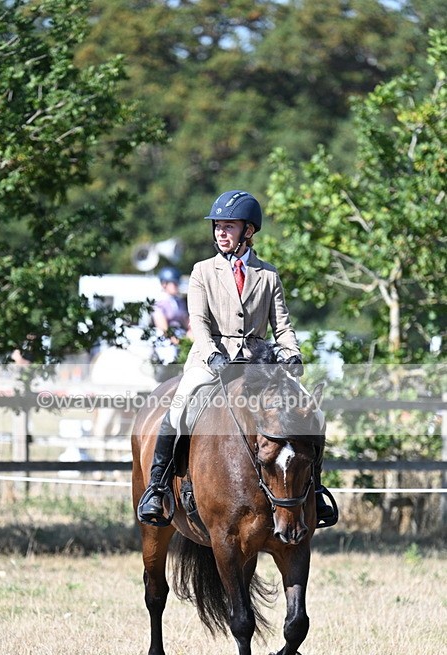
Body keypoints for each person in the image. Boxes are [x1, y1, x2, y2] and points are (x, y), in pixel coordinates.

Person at [137, 190, 336, 528]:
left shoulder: (268, 275)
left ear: (249, 231)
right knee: (179, 409)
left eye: (228, 226)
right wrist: (212, 353)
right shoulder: (203, 271)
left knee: (310, 412)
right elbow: (197, 321)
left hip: (258, 365)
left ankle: (313, 490)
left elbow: (282, 325)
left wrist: (292, 354)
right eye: (217, 227)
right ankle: (157, 488)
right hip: (209, 360)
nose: (220, 233)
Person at [151, 266, 192, 367]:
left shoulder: (179, 301)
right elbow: (163, 328)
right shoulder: (159, 303)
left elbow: (187, 321)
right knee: (170, 356)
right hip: (166, 339)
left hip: (180, 335)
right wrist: (177, 341)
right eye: (174, 283)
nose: (177, 286)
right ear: (164, 284)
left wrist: (191, 332)